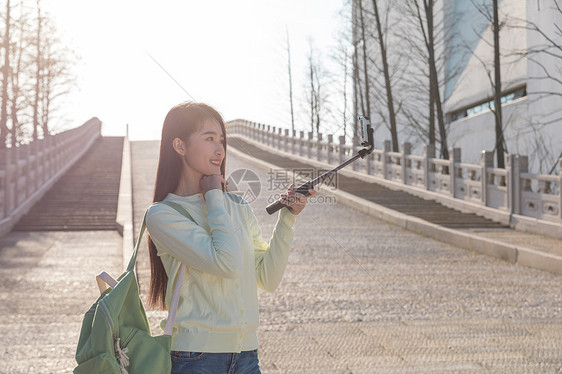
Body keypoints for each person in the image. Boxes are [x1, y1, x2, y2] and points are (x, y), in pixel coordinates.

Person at [145, 102, 315, 374]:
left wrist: (288, 218)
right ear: (180, 146)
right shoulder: (163, 215)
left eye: (222, 140)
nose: (220, 150)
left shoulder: (236, 205)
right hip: (196, 358)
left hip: (247, 355)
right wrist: (213, 196)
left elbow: (267, 278)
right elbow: (228, 264)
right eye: (209, 138)